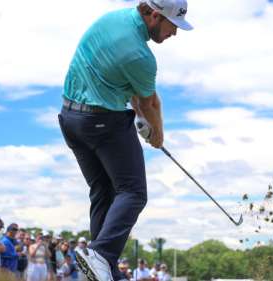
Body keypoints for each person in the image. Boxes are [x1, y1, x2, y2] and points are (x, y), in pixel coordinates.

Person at [58, 0, 193, 280]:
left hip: (70, 119)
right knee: (133, 192)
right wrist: (157, 135)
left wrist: (143, 121)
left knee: (104, 190)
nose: (175, 34)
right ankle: (101, 255)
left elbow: (127, 86)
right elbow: (149, 104)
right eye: (172, 26)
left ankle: (100, 268)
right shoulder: (141, 57)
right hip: (101, 123)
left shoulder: (112, 19)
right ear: (155, 15)